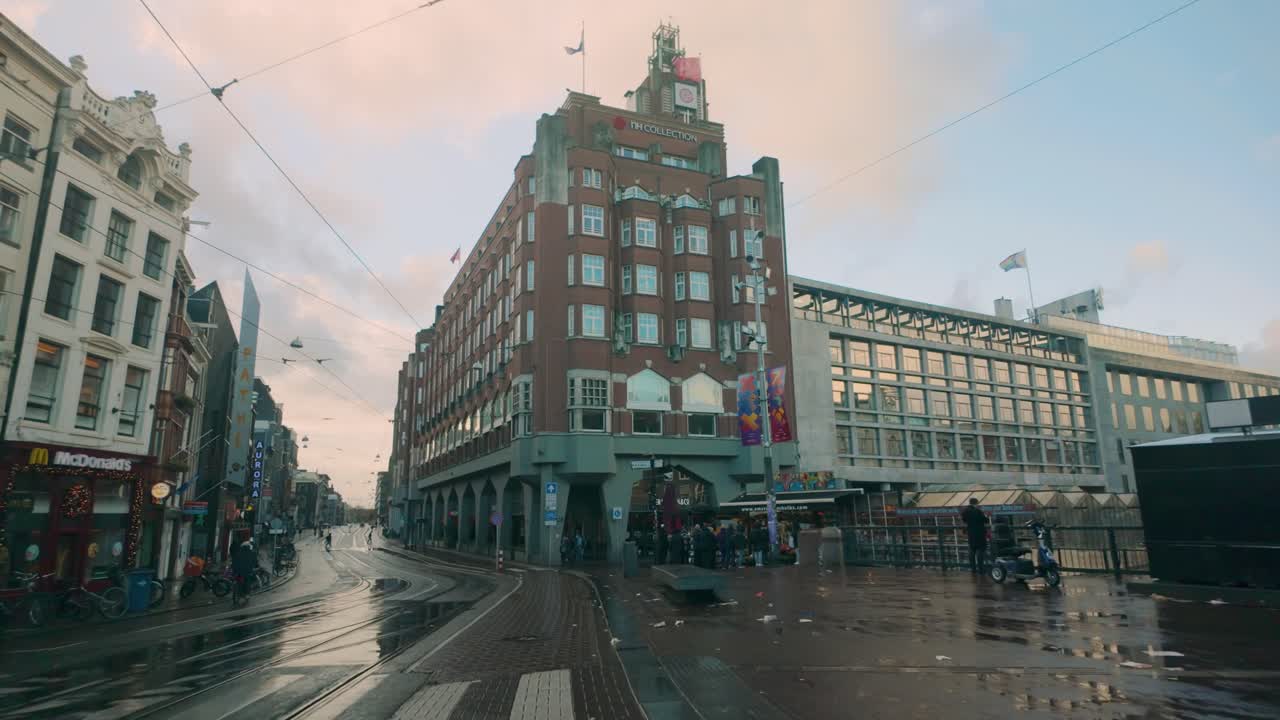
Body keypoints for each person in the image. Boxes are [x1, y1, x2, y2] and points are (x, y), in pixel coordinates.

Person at [961, 497, 990, 574]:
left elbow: (964, 520)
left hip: (971, 533)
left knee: (972, 550)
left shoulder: (965, 511)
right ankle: (981, 569)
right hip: (980, 533)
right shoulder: (978, 511)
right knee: (980, 551)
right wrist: (986, 516)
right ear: (976, 503)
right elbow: (985, 520)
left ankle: (973, 569)